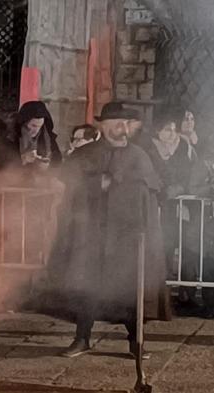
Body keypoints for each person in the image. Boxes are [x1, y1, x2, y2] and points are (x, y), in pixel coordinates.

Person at [47, 103, 170, 359]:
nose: (121, 128)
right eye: (115, 122)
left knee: (129, 289)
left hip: (127, 236)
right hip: (91, 235)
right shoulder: (84, 154)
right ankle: (82, 338)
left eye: (125, 123)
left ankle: (136, 342)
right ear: (102, 125)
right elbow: (67, 185)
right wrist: (96, 184)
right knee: (87, 287)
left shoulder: (139, 156)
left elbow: (153, 190)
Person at [147, 115, 197, 283]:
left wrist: (180, 187)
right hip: (158, 202)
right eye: (167, 130)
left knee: (177, 239)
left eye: (174, 130)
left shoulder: (183, 147)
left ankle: (179, 281)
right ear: (158, 131)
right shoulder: (150, 149)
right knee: (159, 240)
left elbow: (188, 173)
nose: (172, 134)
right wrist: (161, 189)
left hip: (177, 203)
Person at [186, 134, 214, 318]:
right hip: (207, 223)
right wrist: (211, 188)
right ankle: (210, 304)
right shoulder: (203, 165)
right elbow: (193, 189)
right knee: (209, 264)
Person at [12, 101, 62, 179]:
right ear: (24, 122)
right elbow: (3, 164)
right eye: (33, 126)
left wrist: (47, 165)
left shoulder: (48, 137)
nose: (36, 130)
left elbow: (57, 161)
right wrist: (23, 159)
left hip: (42, 183)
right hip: (15, 182)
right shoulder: (12, 137)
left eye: (40, 126)